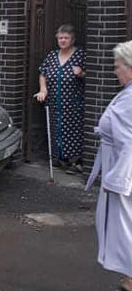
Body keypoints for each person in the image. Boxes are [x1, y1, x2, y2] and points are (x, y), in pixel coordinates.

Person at [85, 40, 132, 291]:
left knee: (124, 226)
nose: (115, 72)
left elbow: (130, 144)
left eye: (118, 67)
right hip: (121, 167)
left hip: (123, 172)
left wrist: (115, 181)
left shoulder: (130, 98)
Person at [35, 24, 86, 174]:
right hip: (54, 103)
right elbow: (43, 73)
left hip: (73, 104)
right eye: (60, 38)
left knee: (73, 131)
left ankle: (75, 162)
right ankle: (60, 159)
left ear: (72, 39)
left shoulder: (81, 54)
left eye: (66, 38)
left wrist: (81, 73)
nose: (63, 40)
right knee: (56, 129)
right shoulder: (52, 55)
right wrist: (43, 89)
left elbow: (92, 76)